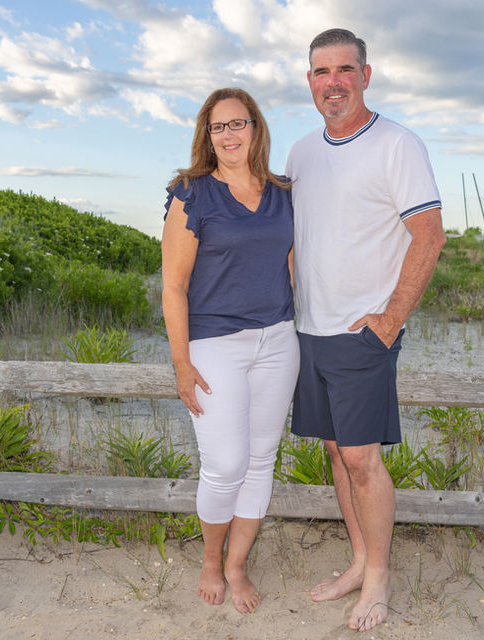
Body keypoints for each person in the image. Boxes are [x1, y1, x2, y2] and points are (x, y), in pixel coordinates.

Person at [286, 29, 445, 632]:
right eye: (321, 72)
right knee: (334, 451)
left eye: (344, 70)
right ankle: (357, 560)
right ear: (309, 82)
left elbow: (429, 237)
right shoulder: (301, 152)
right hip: (311, 328)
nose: (333, 82)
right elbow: (301, 237)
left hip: (362, 333)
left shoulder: (397, 144)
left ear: (366, 75)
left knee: (361, 458)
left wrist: (388, 321)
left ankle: (377, 578)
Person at [161, 87, 298, 614]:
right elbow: (173, 285)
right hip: (215, 343)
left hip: (278, 341)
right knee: (225, 463)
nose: (229, 135)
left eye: (238, 124)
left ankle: (238, 565)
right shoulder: (191, 193)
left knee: (262, 459)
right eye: (219, 127)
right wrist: (181, 362)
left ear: (256, 129)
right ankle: (211, 561)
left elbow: (290, 268)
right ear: (207, 136)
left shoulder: (283, 192)